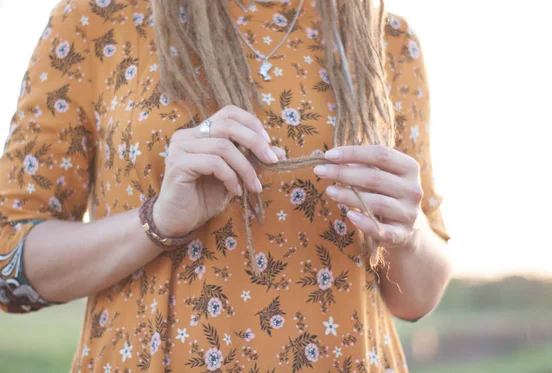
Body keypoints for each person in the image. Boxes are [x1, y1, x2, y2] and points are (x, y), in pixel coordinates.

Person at [0, 0, 452, 371]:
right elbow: (8, 260)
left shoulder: (384, 40)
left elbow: (418, 297)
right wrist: (156, 222)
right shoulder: (99, 20)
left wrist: (407, 236)